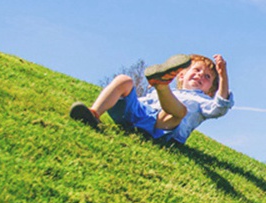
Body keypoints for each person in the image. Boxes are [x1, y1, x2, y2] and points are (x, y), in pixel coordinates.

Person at [69, 53, 233, 145]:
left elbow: (220, 107)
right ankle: (93, 114)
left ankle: (161, 85)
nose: (200, 76)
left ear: (211, 89)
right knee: (124, 80)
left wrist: (222, 75)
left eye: (207, 77)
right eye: (196, 70)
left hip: (162, 129)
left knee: (180, 111)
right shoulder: (171, 90)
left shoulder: (202, 101)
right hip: (139, 114)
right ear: (181, 75)